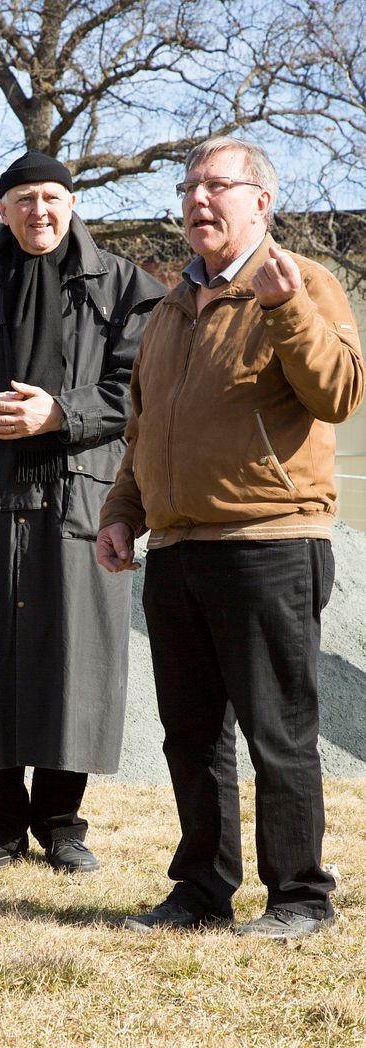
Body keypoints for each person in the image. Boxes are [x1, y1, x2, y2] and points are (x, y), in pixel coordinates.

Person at [97, 137, 364, 937]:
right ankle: (201, 892)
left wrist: (286, 310)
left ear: (261, 201)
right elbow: (143, 427)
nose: (196, 200)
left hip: (269, 543)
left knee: (278, 731)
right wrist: (122, 512)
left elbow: (341, 392)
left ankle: (299, 897)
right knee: (191, 738)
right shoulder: (169, 308)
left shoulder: (305, 283)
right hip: (176, 552)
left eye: (216, 185)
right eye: (187, 188)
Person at [0, 150, 166, 873]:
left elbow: (137, 389)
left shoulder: (123, 288)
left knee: (72, 659)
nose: (39, 211)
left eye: (52, 196)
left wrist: (61, 411)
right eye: (24, 199)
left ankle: (62, 826)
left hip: (79, 496)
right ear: (1, 210)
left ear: (73, 201)